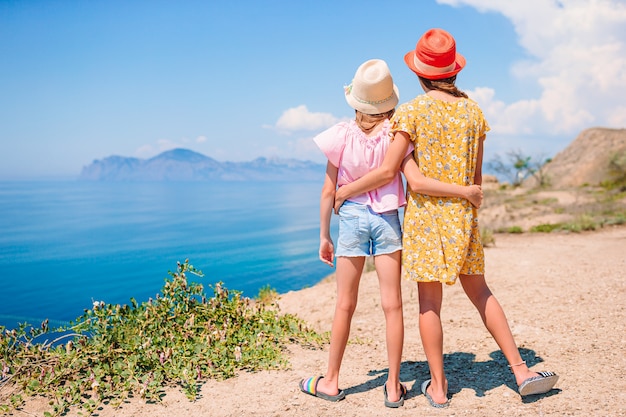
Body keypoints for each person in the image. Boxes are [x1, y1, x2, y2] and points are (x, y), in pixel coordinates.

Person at [333, 29, 558, 408]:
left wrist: (344, 191)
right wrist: (467, 196)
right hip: (463, 219)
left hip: (427, 221)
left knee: (429, 305)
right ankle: (521, 371)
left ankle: (438, 389)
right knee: (481, 292)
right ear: (454, 71)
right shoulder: (474, 112)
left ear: (420, 75)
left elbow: (405, 177)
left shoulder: (412, 112)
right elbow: (476, 180)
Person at [298, 59, 482, 408]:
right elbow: (401, 173)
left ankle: (332, 381)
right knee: (393, 305)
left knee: (344, 304)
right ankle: (395, 387)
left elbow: (328, 191)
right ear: (388, 101)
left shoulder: (340, 135)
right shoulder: (397, 132)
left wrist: (324, 235)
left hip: (351, 219)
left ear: (355, 100)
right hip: (387, 221)